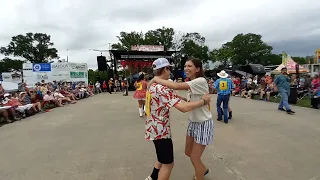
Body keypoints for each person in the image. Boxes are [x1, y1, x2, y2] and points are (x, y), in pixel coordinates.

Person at [145, 57, 211, 180]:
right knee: (169, 162)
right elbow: (183, 108)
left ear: (198, 69)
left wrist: (155, 79)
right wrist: (202, 101)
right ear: (165, 69)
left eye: (189, 66)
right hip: (162, 130)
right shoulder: (161, 87)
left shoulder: (154, 85)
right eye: (169, 69)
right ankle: (202, 169)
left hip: (155, 127)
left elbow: (175, 87)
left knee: (191, 157)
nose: (186, 68)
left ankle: (200, 173)